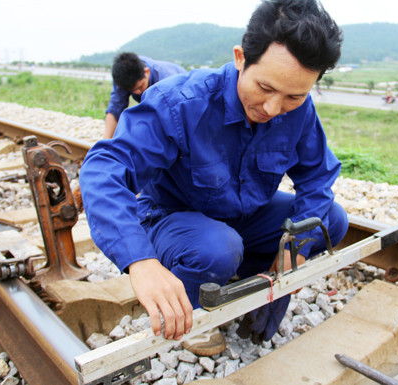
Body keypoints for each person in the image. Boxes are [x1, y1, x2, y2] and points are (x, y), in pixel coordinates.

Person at [80, 0, 348, 356]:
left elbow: (317, 176)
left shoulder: (299, 109)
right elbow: (103, 167)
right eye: (265, 88)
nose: (272, 109)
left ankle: (247, 278)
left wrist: (293, 254)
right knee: (217, 248)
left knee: (329, 219)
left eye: (293, 96)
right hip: (172, 219)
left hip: (242, 217)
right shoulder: (181, 104)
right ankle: (190, 308)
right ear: (240, 58)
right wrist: (140, 262)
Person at [103, 52, 186, 139]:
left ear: (147, 72)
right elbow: (114, 109)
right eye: (132, 90)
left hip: (182, 105)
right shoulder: (123, 77)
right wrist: (105, 143)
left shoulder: (166, 81)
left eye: (140, 86)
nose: (137, 92)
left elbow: (174, 120)